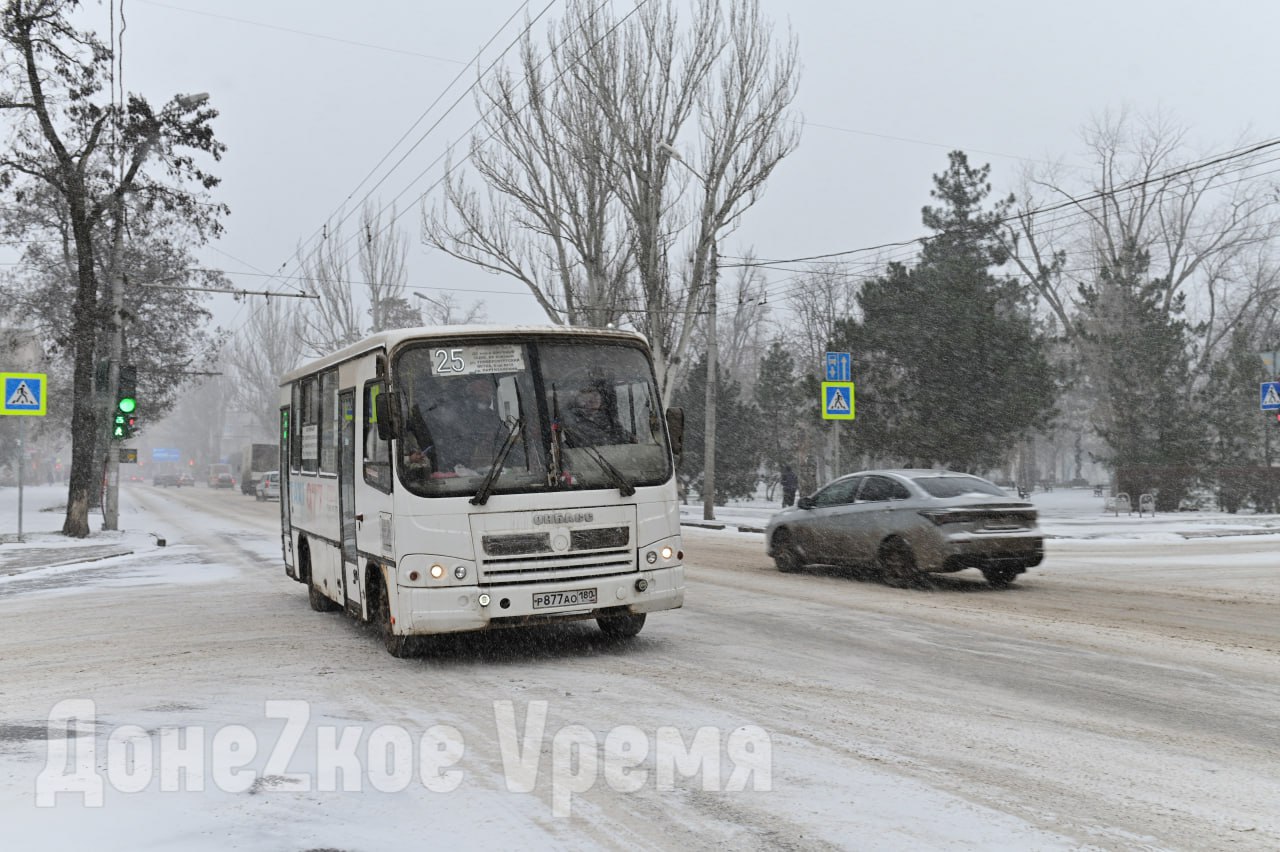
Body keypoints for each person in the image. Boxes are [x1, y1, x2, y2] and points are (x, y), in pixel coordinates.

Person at [565, 385, 631, 447]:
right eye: (590, 400)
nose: (594, 402)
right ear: (581, 402)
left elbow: (620, 432)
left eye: (597, 399)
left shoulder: (607, 418)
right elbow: (595, 441)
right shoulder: (574, 420)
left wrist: (630, 438)